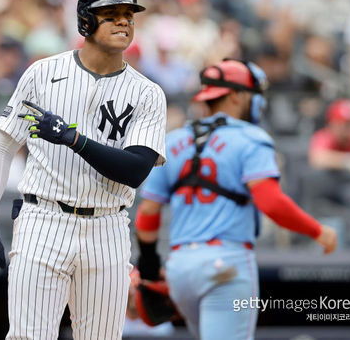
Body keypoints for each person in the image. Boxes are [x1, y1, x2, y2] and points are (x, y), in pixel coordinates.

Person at [0, 0, 167, 339]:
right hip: (43, 219)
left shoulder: (147, 93)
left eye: (129, 14)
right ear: (85, 21)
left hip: (108, 226)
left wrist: (73, 139)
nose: (123, 21)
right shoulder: (43, 73)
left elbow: (136, 169)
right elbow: (0, 149)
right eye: (111, 14)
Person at [135, 59, 337, 340]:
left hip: (180, 267)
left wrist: (148, 266)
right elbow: (271, 203)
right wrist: (317, 230)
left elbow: (147, 213)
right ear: (236, 96)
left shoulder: (173, 140)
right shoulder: (251, 137)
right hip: (226, 265)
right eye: (254, 95)